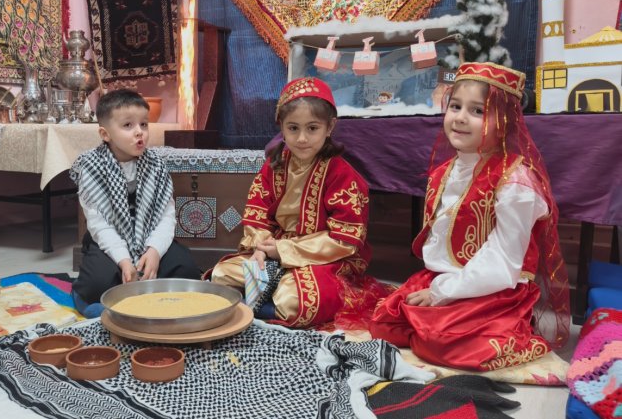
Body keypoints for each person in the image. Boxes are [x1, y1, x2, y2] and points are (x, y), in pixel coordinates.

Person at [370, 62, 570, 371]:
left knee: (439, 342)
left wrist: (443, 292)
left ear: (504, 123)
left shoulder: (515, 182)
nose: (461, 118)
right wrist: (435, 285)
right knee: (384, 320)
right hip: (442, 276)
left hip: (492, 288)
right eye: (456, 106)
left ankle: (503, 328)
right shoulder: (444, 171)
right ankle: (430, 319)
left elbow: (503, 260)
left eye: (478, 111)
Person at [210, 77, 390, 328]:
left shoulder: (343, 175)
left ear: (329, 127)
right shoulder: (274, 165)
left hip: (327, 259)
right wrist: (261, 247)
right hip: (272, 252)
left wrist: (284, 251)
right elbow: (257, 212)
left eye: (312, 128)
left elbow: (344, 240)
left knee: (293, 301)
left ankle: (265, 298)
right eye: (293, 128)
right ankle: (269, 291)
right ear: (281, 127)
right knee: (221, 275)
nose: (302, 138)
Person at [70, 89, 200, 317]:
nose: (139, 132)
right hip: (108, 240)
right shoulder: (90, 166)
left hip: (151, 236)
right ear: (105, 134)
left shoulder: (156, 165)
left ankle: (146, 293)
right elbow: (99, 225)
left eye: (144, 124)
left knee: (187, 271)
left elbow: (166, 215)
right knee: (97, 284)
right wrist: (123, 261)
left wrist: (154, 252)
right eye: (128, 126)